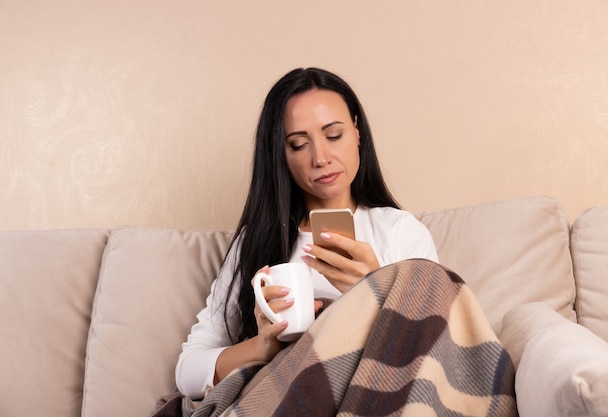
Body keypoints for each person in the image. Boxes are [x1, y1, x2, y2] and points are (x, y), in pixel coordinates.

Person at [175, 67, 439, 400]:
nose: (321, 158)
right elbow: (187, 371)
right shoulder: (255, 244)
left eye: (334, 135)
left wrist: (378, 293)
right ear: (280, 156)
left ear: (357, 132)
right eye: (299, 144)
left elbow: (435, 359)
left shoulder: (400, 232)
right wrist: (263, 346)